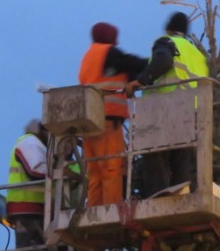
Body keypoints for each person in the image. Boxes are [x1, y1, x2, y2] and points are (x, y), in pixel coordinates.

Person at [125, 12, 209, 198]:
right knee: (180, 153)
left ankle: (159, 195)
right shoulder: (197, 53)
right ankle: (181, 190)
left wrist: (140, 81)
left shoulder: (167, 42)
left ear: (169, 28)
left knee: (154, 152)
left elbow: (163, 61)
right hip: (190, 109)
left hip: (165, 105)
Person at [78, 22, 148, 206]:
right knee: (111, 169)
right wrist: (153, 66)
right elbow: (135, 62)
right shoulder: (109, 53)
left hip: (88, 123)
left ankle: (94, 212)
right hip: (107, 122)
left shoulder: (89, 56)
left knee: (95, 173)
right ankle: (110, 212)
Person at [6, 119, 49, 251]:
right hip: (26, 207)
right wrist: (59, 170)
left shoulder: (38, 145)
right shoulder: (30, 142)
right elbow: (36, 170)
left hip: (35, 209)